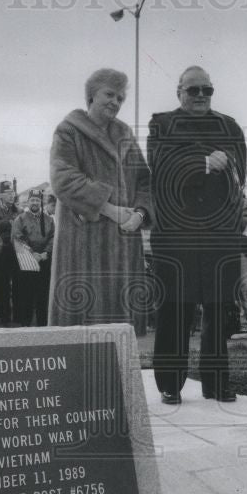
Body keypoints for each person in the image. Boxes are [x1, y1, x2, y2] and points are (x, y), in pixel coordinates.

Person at [148, 65, 247, 404]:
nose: (201, 96)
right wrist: (205, 163)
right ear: (179, 91)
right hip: (178, 236)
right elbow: (162, 170)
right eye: (194, 90)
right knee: (175, 310)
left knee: (220, 311)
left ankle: (216, 383)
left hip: (220, 235)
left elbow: (240, 175)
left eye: (207, 90)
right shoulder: (161, 124)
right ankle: (170, 385)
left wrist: (226, 166)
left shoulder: (230, 126)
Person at [48, 68, 153, 329]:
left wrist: (140, 214)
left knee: (119, 335)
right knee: (81, 330)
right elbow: (63, 178)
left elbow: (145, 181)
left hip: (123, 243)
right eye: (109, 94)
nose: (115, 102)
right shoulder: (68, 131)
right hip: (83, 243)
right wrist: (108, 209)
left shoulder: (126, 136)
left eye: (120, 98)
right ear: (91, 96)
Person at [12, 190, 55, 326]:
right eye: (32, 200)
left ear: (41, 202)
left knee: (43, 294)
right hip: (27, 261)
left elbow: (53, 237)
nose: (35, 203)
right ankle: (26, 323)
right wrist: (32, 253)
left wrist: (45, 253)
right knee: (27, 295)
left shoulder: (49, 219)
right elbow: (17, 238)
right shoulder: (20, 219)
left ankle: (43, 323)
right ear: (28, 202)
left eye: (37, 200)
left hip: (44, 260)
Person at [0, 180, 22, 325]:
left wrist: (10, 223)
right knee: (3, 285)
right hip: (2, 250)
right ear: (1, 194)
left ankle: (19, 315)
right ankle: (4, 316)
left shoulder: (17, 210)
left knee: (19, 284)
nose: (11, 196)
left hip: (17, 249)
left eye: (12, 193)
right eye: (8, 193)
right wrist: (10, 223)